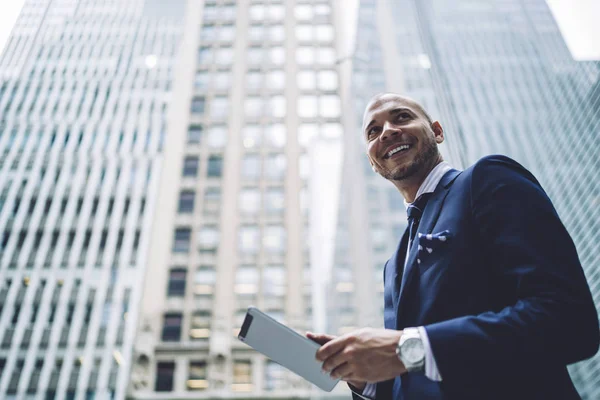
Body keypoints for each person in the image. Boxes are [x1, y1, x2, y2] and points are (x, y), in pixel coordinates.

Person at [306, 93, 599, 399]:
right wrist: (363, 379)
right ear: (373, 161)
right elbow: (414, 377)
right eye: (373, 131)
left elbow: (568, 320)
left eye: (402, 117)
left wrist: (405, 349)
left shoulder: (487, 180)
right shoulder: (393, 265)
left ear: (437, 131)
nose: (388, 131)